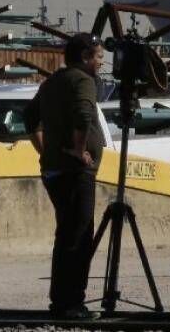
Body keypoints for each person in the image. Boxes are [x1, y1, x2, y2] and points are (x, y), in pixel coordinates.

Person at [22, 33, 106, 320]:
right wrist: (78, 150)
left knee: (68, 234)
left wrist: (44, 151)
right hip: (74, 172)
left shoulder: (53, 81)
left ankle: (63, 301)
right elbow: (84, 114)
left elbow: (29, 117)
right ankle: (70, 304)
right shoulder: (83, 81)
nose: (101, 63)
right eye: (98, 57)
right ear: (84, 57)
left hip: (54, 170)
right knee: (79, 237)